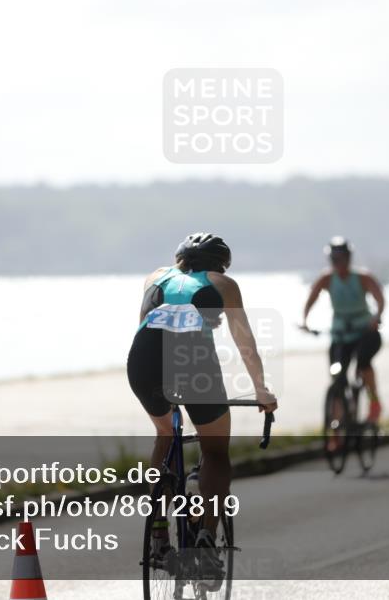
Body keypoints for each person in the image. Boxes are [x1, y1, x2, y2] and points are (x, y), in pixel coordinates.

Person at [127, 233, 277, 572]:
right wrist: (261, 390)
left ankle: (159, 536)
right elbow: (244, 341)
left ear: (180, 258)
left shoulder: (155, 277)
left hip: (143, 357)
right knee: (215, 451)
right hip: (193, 357)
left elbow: (142, 326)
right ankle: (207, 542)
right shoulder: (223, 283)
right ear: (220, 264)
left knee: (165, 435)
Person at [300, 236, 386, 422]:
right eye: (334, 259)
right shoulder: (327, 278)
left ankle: (374, 402)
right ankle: (337, 425)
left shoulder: (362, 277)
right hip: (340, 334)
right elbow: (311, 299)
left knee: (363, 363)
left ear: (348, 258)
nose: (337, 263)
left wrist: (376, 317)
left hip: (364, 331)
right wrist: (305, 320)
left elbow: (379, 298)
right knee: (337, 377)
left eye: (341, 259)